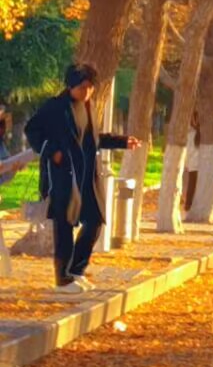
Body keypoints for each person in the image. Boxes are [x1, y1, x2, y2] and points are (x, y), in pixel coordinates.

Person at [25, 63, 142, 290]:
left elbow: (93, 139)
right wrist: (53, 152)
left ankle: (76, 270)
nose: (87, 91)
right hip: (64, 176)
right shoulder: (56, 106)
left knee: (95, 221)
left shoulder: (89, 106)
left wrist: (122, 141)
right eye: (83, 87)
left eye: (90, 87)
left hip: (88, 176)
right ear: (71, 86)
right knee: (65, 225)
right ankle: (63, 278)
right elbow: (31, 130)